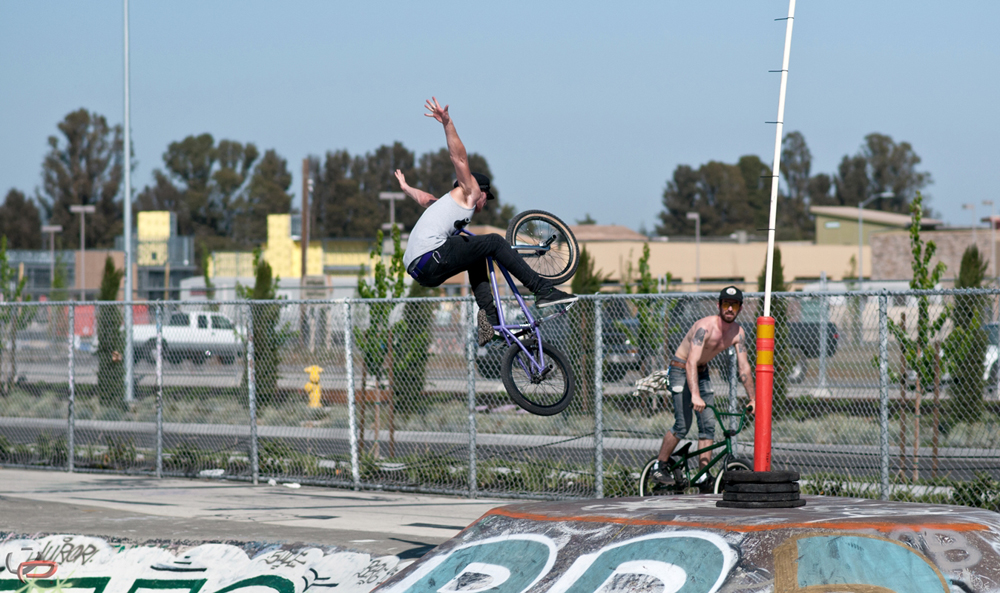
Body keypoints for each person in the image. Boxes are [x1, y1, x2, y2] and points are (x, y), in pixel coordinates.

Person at [395, 97, 577, 346]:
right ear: (478, 191)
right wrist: (447, 123)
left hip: (421, 270)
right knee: (492, 242)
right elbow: (458, 158)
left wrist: (406, 188)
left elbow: (425, 199)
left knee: (476, 253)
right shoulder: (469, 192)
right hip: (430, 256)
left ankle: (489, 319)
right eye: (486, 199)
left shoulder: (447, 205)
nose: (485, 204)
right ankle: (542, 290)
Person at [649, 285, 756, 485]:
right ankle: (659, 465)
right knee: (683, 425)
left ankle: (703, 474)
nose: (730, 309)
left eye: (734, 305)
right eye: (726, 304)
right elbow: (690, 361)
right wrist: (695, 395)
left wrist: (753, 398)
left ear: (740, 308)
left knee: (708, 425)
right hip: (681, 369)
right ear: (719, 305)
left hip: (701, 371)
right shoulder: (704, 327)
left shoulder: (738, 333)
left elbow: (744, 368)